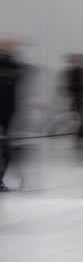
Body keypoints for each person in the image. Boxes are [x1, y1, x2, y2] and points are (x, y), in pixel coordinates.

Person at [0, 40, 24, 191]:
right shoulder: (13, 66)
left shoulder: (13, 66)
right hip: (8, 112)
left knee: (5, 148)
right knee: (5, 147)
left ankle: (1, 180)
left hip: (8, 113)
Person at [63, 53, 83, 139]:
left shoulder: (78, 71)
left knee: (80, 114)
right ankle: (81, 131)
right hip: (79, 96)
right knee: (80, 114)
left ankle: (81, 131)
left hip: (79, 96)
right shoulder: (80, 71)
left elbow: (73, 84)